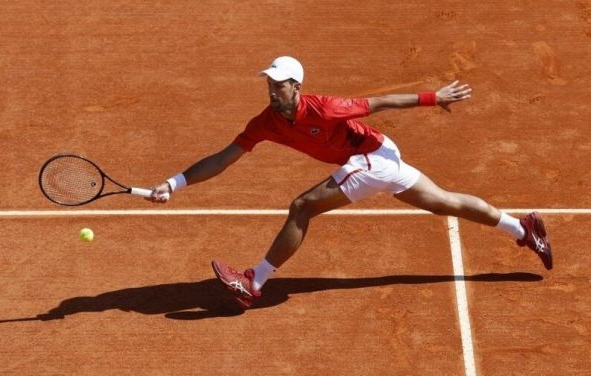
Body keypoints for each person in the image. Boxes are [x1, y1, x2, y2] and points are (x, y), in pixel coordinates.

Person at [148, 56, 553, 309]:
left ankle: (254, 282)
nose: (272, 91)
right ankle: (524, 229)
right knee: (443, 201)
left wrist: (434, 97)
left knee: (302, 206)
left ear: (296, 87)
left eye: (279, 85)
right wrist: (173, 182)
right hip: (379, 158)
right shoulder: (266, 123)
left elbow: (380, 103)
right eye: (269, 84)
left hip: (374, 158)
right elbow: (224, 158)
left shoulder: (324, 108)